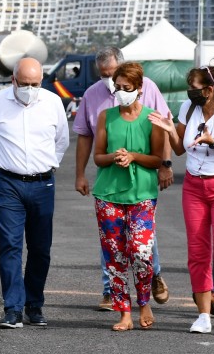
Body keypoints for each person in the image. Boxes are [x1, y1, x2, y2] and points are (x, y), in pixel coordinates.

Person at [150, 62, 214, 334]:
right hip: (194, 186)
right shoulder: (189, 108)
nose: (189, 93)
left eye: (194, 88)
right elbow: (180, 150)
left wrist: (213, 141)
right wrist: (170, 129)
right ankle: (203, 315)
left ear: (209, 89)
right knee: (197, 251)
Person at [73, 46, 172, 311]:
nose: (112, 83)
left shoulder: (148, 89)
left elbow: (163, 128)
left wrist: (165, 165)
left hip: (142, 187)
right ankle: (113, 294)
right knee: (113, 246)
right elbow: (87, 139)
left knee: (141, 245)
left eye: (115, 75)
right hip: (110, 188)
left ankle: (153, 279)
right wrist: (80, 174)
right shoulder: (94, 98)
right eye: (105, 75)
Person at [0, 57, 69, 329]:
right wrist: (11, 164)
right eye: (25, 84)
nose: (30, 89)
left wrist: (44, 165)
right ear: (13, 80)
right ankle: (12, 308)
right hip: (8, 184)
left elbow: (61, 142)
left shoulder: (52, 103)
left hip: (43, 183)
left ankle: (34, 303)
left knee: (40, 248)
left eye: (35, 84)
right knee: (10, 246)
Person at [92, 62, 166, 331]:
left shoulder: (151, 117)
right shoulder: (105, 116)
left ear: (139, 88)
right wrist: (115, 156)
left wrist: (133, 156)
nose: (121, 92)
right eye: (118, 87)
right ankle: (123, 311)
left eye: (127, 87)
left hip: (142, 194)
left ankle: (144, 302)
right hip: (108, 194)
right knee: (114, 254)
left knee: (140, 251)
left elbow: (157, 158)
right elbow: (98, 157)